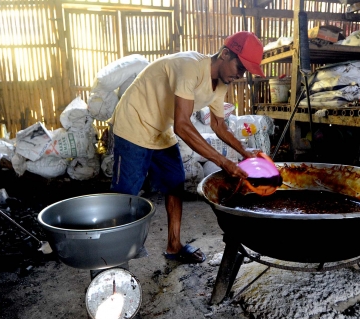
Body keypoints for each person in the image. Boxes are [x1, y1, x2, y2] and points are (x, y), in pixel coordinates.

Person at [110, 31, 266, 264]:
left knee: (175, 182)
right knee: (126, 195)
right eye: (240, 68)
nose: (240, 75)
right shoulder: (189, 67)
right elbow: (182, 126)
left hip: (160, 129)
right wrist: (224, 162)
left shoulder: (220, 83)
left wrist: (245, 153)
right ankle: (113, 261)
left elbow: (218, 124)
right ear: (225, 54)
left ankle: (174, 246)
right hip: (133, 123)